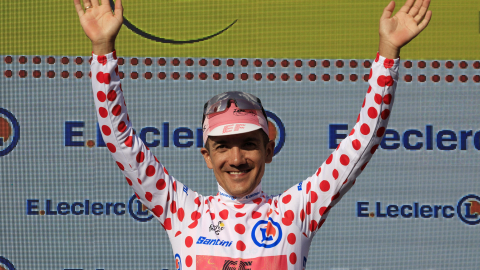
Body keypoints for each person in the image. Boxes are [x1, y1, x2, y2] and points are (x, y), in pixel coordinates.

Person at [73, 0, 432, 268]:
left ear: (269, 150)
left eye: (248, 144)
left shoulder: (295, 212)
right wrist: (103, 51)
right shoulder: (183, 212)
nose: (236, 158)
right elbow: (120, 140)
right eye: (223, 146)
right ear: (206, 156)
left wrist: (388, 53)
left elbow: (363, 139)